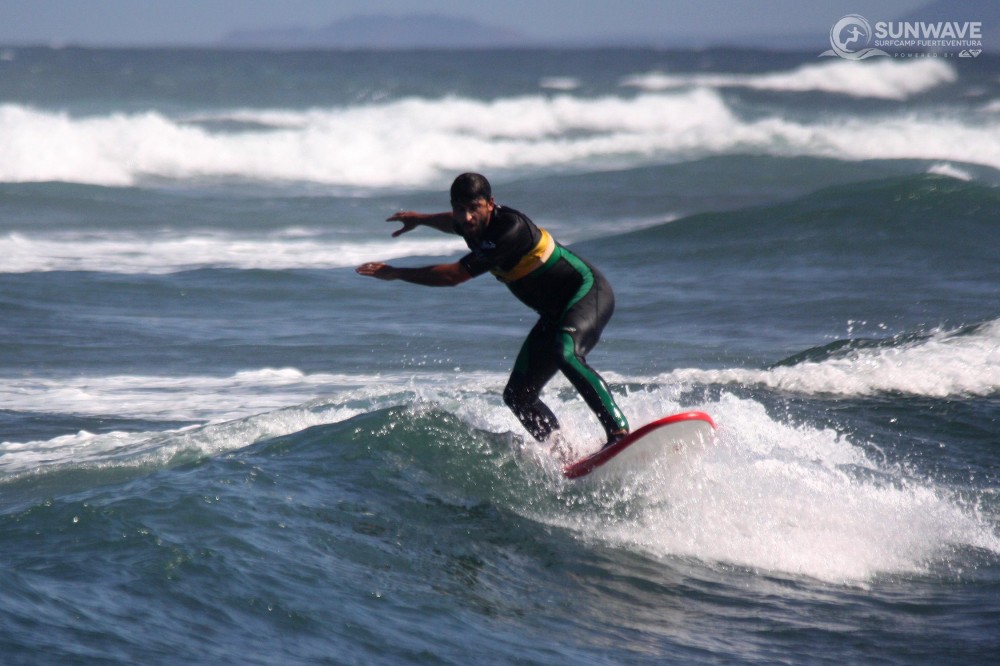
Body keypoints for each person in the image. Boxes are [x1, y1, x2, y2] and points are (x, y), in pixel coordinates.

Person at [356, 173, 629, 457]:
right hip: (554, 313)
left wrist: (397, 273)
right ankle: (565, 456)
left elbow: (454, 276)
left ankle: (618, 433)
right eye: (460, 209)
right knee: (517, 396)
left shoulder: (509, 230)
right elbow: (451, 222)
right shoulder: (467, 224)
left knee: (565, 351)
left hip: (587, 292)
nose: (467, 217)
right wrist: (421, 219)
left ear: (490, 204)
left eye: (474, 208)